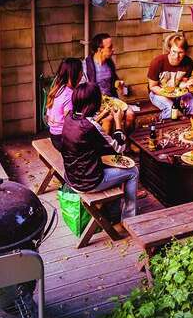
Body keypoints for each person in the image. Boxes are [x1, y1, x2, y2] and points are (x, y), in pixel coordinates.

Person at [59, 82, 139, 222]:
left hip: (71, 175)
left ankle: (113, 214)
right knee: (133, 171)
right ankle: (130, 218)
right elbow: (119, 148)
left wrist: (102, 115)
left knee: (113, 165)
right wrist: (118, 122)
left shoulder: (70, 117)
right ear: (94, 103)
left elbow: (89, 125)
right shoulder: (91, 128)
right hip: (88, 182)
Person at [82, 32, 135, 133]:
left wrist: (119, 84)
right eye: (110, 47)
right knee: (109, 119)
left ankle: (127, 142)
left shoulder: (109, 63)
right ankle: (108, 146)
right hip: (95, 103)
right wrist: (98, 104)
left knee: (131, 114)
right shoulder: (86, 66)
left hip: (111, 100)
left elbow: (114, 82)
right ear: (100, 50)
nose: (113, 49)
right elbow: (82, 91)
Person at [146, 32, 193, 120]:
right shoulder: (157, 62)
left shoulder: (189, 63)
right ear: (169, 49)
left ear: (185, 52)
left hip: (177, 92)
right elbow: (153, 87)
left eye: (181, 52)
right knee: (171, 109)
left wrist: (187, 85)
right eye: (174, 51)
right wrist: (169, 95)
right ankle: (162, 124)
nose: (176, 56)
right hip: (158, 93)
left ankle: (189, 127)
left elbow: (181, 84)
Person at [45, 57, 83, 151]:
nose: (82, 74)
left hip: (54, 136)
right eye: (81, 71)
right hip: (63, 141)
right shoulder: (69, 95)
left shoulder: (58, 88)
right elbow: (69, 123)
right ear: (75, 74)